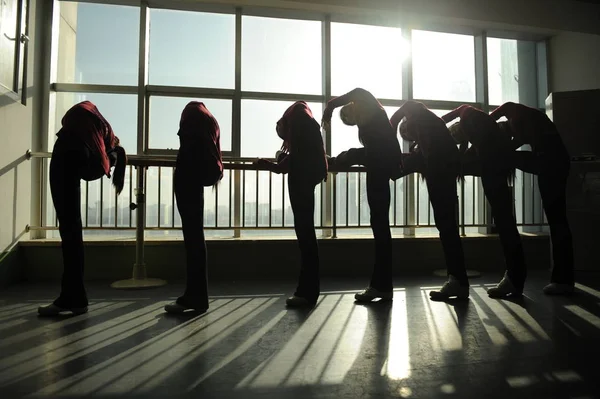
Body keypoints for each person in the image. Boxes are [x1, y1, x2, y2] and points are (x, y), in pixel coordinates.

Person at [38, 101, 127, 316]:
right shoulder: (92, 133)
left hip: (63, 170)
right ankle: (74, 297)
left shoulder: (74, 135)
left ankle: (72, 297)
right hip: (70, 169)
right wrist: (112, 157)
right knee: (72, 235)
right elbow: (90, 171)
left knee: (70, 236)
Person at [322, 88, 402, 303]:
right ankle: (381, 285)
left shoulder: (372, 108)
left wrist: (331, 106)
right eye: (348, 119)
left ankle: (381, 285)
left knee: (380, 227)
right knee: (380, 226)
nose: (349, 116)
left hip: (379, 168)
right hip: (379, 169)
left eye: (347, 113)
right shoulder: (372, 119)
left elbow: (358, 91)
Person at [443, 104, 526, 298]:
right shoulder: (476, 122)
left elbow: (451, 119)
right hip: (497, 168)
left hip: (493, 170)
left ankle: (514, 278)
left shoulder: (469, 120)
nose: (456, 135)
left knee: (504, 223)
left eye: (454, 134)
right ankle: (515, 277)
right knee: (506, 222)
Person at [492, 102, 574, 295]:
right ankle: (564, 278)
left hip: (550, 164)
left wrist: (496, 148)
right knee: (558, 221)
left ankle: (563, 279)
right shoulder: (524, 115)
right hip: (552, 162)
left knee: (557, 221)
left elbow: (509, 136)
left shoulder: (516, 117)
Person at [390, 101, 469, 300]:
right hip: (444, 174)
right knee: (448, 228)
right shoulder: (433, 132)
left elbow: (408, 106)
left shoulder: (420, 118)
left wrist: (391, 129)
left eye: (408, 133)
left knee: (447, 228)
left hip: (440, 175)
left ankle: (457, 280)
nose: (411, 137)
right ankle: (457, 279)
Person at [256, 101, 327, 307]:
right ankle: (307, 290)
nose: (286, 140)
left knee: (305, 236)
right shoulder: (305, 120)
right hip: (308, 177)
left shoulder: (299, 122)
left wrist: (273, 164)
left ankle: (306, 292)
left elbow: (295, 160)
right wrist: (275, 164)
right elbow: (297, 157)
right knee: (307, 235)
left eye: (283, 135)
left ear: (283, 124)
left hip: (301, 180)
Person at [164, 101, 223, 314]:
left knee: (193, 238)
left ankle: (195, 296)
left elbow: (188, 148)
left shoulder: (191, 117)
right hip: (197, 180)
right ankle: (198, 296)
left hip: (188, 179)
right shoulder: (208, 120)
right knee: (197, 236)